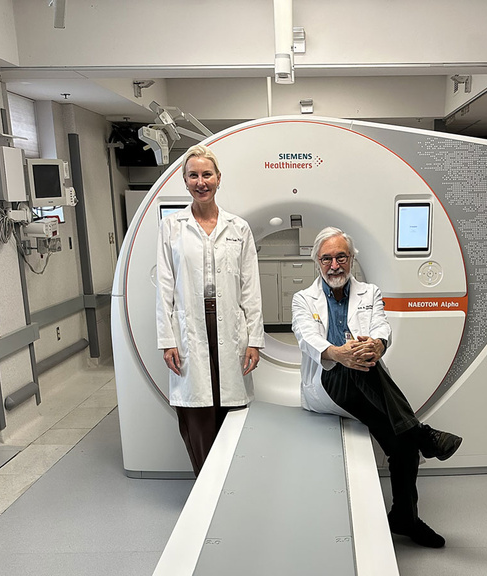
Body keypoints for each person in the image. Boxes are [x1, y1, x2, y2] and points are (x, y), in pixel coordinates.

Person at [292, 226, 462, 548]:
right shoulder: (304, 299)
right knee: (354, 359)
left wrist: (377, 345)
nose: (334, 265)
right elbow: (306, 336)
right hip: (328, 384)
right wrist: (339, 353)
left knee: (402, 444)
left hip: (366, 387)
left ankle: (405, 517)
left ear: (352, 258)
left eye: (341, 256)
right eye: (326, 258)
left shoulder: (370, 292)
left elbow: (382, 325)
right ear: (317, 262)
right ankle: (424, 434)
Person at [156, 144, 264, 477]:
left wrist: (255, 340)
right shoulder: (172, 227)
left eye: (207, 174)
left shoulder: (239, 228)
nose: (201, 181)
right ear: (184, 180)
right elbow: (164, 286)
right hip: (190, 327)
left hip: (229, 326)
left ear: (218, 179)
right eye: (193, 175)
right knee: (197, 412)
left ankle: (229, 483)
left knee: (230, 405)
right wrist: (167, 339)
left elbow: (251, 289)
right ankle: (205, 485)